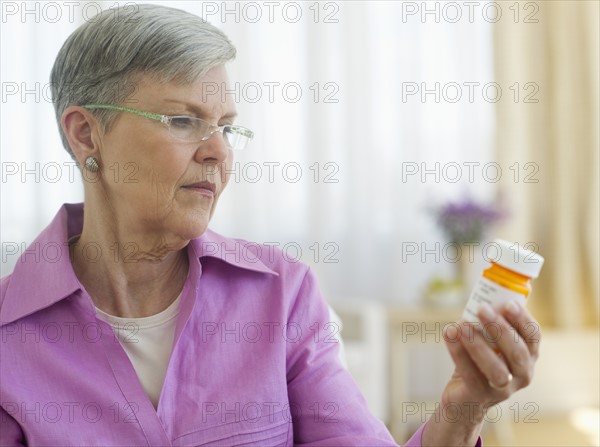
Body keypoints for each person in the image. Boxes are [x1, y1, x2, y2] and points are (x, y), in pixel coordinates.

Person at [0, 4, 541, 446]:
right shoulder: (8, 337)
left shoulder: (280, 293)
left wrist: (463, 409)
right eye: (184, 120)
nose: (217, 152)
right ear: (87, 135)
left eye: (227, 128)